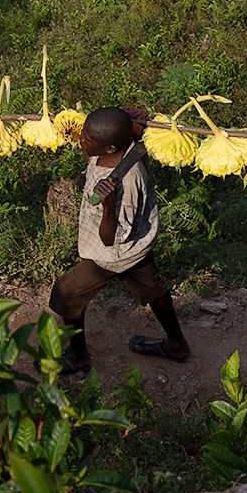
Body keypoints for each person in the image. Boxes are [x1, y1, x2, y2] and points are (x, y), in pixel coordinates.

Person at [48, 107, 190, 374]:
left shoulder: (123, 186)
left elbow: (110, 238)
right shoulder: (126, 148)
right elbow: (103, 142)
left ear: (111, 146)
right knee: (154, 290)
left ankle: (77, 356)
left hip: (114, 253)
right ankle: (176, 345)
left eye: (87, 138)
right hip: (139, 244)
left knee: (66, 293)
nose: (81, 139)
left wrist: (108, 205)